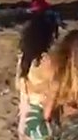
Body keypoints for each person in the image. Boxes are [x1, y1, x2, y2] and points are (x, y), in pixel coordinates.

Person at [16, 11, 59, 140]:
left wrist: (21, 126)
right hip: (44, 117)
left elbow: (23, 98)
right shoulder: (50, 62)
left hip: (28, 118)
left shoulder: (24, 60)